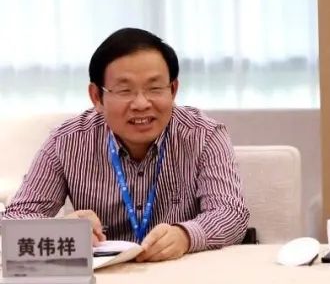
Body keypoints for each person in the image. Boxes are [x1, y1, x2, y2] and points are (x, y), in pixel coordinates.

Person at [3, 28, 250, 261]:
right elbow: (15, 219)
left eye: (155, 88)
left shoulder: (204, 135)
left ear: (173, 89)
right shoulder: (66, 141)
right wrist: (63, 230)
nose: (141, 104)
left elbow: (231, 213)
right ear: (96, 97)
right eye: (125, 91)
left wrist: (186, 236)